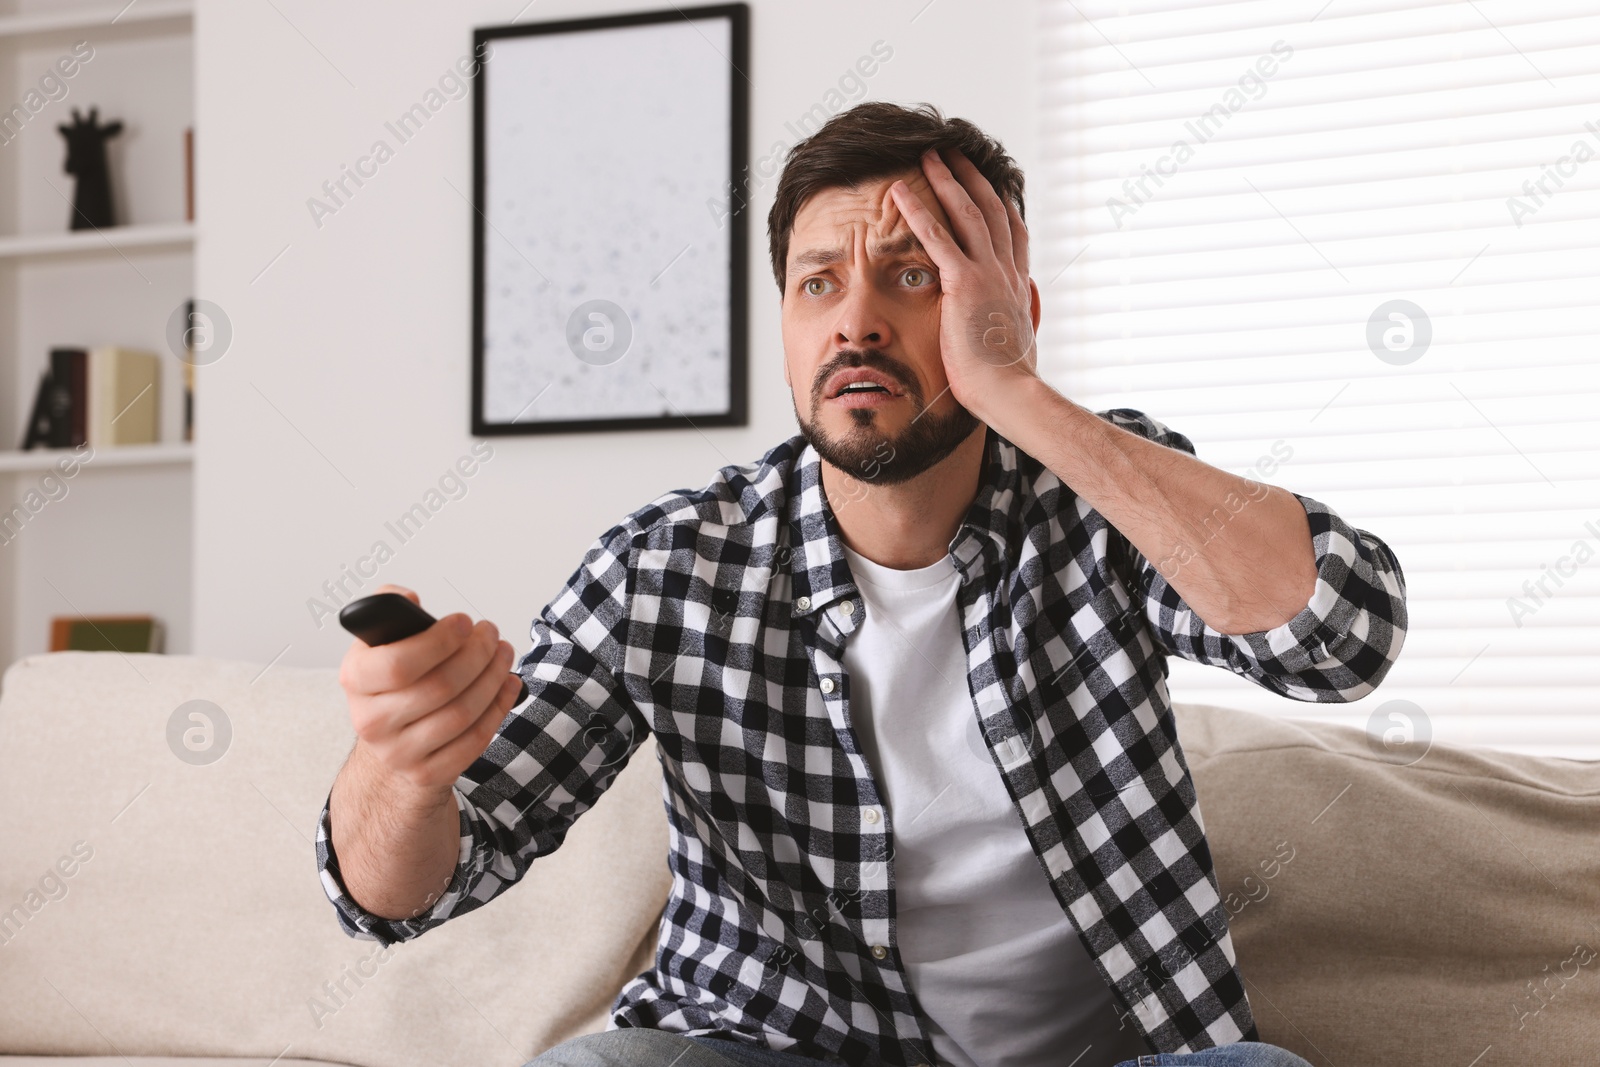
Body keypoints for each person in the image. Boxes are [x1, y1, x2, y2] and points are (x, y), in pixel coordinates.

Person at [316, 101, 1406, 1067]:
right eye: (818, 282)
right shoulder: (669, 568)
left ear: (1005, 304)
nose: (855, 320)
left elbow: (1339, 636)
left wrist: (1017, 391)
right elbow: (402, 896)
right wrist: (399, 767)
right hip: (770, 1044)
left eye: (913, 273)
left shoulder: (1099, 499)